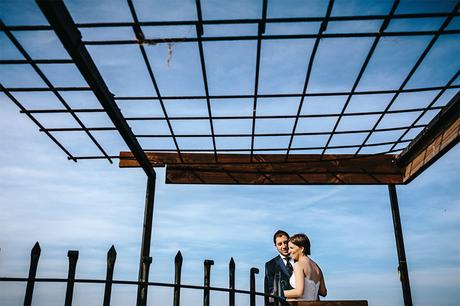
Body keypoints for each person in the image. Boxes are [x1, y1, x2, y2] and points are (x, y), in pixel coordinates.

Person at [284, 233, 327, 301]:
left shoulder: (299, 265)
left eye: (291, 248)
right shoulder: (317, 267)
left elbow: (299, 292)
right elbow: (323, 292)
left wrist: (279, 293)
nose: (289, 251)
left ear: (301, 248)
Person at [264, 230, 294, 305]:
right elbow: (270, 292)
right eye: (280, 244)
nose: (284, 246)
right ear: (276, 246)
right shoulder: (270, 265)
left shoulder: (300, 260)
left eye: (285, 242)